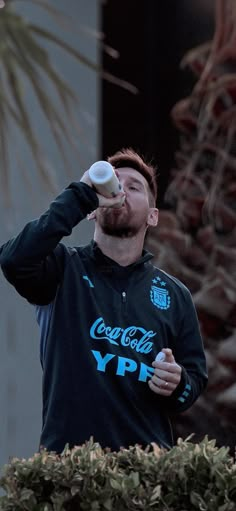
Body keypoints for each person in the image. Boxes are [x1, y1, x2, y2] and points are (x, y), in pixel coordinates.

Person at [0, 148, 207, 453]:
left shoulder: (175, 294)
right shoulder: (62, 267)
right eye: (114, 183)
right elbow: (14, 260)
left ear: (153, 216)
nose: (121, 190)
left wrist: (175, 383)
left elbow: (192, 384)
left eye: (134, 187)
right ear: (93, 209)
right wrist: (80, 194)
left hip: (146, 480)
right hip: (70, 472)